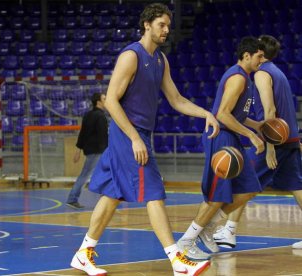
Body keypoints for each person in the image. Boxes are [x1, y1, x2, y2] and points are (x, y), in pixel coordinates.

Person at [69, 3, 219, 276]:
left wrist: (205, 113)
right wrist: (135, 139)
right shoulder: (131, 56)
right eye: (161, 25)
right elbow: (111, 101)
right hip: (128, 133)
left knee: (112, 195)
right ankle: (177, 260)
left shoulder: (161, 60)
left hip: (139, 134)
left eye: (168, 27)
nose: (166, 31)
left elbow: (176, 99)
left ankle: (83, 253)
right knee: (154, 191)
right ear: (147, 25)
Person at [177, 36, 266, 260]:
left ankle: (209, 226)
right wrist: (251, 135)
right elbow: (222, 115)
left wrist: (258, 126)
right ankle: (186, 241)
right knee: (217, 195)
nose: (262, 60)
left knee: (249, 188)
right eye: (259, 56)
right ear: (247, 55)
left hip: (231, 137)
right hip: (220, 138)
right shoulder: (237, 78)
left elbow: (237, 115)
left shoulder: (246, 78)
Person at [212, 35, 302, 250]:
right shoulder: (278, 73)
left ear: (260, 53)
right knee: (298, 187)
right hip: (289, 137)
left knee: (244, 181)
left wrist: (270, 147)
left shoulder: (262, 73)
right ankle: (229, 229)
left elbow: (270, 110)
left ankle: (223, 228)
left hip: (274, 141)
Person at [66, 92, 108, 209]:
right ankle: (72, 198)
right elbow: (103, 136)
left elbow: (83, 133)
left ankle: (106, 199)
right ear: (98, 101)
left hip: (91, 150)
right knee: (85, 175)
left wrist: (78, 150)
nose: (106, 100)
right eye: (104, 98)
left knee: (103, 174)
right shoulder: (100, 116)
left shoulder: (88, 115)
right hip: (98, 151)